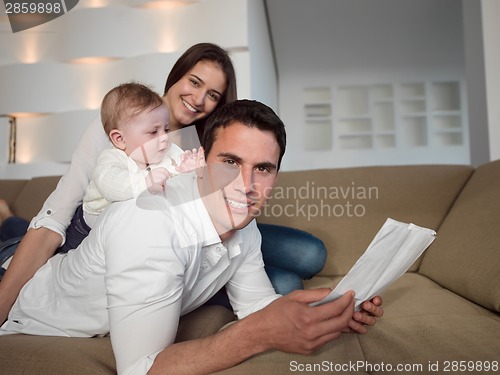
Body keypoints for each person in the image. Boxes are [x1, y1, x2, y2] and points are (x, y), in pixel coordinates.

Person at [0, 100, 383, 375]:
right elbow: (139, 369)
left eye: (263, 168)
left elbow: (256, 305)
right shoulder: (149, 223)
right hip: (31, 308)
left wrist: (330, 313)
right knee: (12, 232)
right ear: (201, 163)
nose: (245, 185)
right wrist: (255, 336)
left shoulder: (244, 225)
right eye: (230, 163)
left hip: (80, 270)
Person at [0, 43, 325, 323]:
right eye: (194, 82)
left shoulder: (208, 141)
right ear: (176, 76)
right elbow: (57, 214)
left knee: (310, 254)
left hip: (199, 239)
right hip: (90, 240)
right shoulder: (124, 122)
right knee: (287, 284)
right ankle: (8, 224)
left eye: (212, 94)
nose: (198, 99)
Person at [58, 82, 201, 253]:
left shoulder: (167, 151)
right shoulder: (111, 159)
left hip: (124, 227)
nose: (164, 138)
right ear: (120, 139)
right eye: (153, 132)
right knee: (66, 257)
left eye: (166, 129)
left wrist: (188, 168)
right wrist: (146, 183)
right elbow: (112, 186)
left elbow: (178, 173)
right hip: (86, 227)